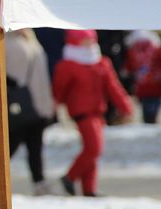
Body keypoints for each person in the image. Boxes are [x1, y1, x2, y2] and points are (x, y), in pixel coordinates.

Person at [55, 30, 132, 196]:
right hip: (81, 111)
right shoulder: (68, 65)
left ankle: (89, 189)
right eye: (85, 41)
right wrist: (53, 108)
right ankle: (70, 177)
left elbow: (113, 87)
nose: (89, 44)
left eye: (91, 40)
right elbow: (58, 90)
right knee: (93, 148)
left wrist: (125, 106)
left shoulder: (101, 62)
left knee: (92, 151)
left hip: (97, 111)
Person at [4, 29, 55, 195]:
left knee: (35, 146)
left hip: (37, 101)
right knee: (10, 144)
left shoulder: (31, 39)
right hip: (20, 103)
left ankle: (39, 182)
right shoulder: (5, 41)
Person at [123, 31, 161, 124]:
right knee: (154, 111)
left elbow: (128, 68)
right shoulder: (156, 48)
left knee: (145, 111)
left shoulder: (133, 49)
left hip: (141, 86)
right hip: (157, 85)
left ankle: (147, 123)